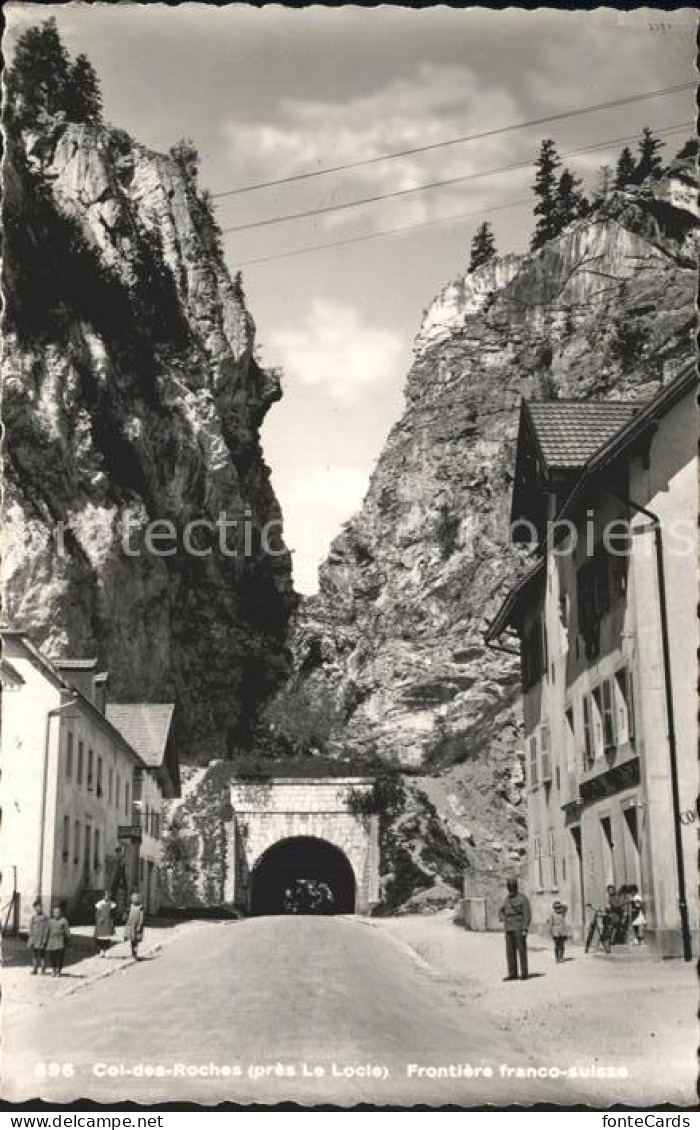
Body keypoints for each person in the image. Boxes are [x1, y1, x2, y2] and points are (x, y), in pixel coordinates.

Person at [498, 877, 531, 981]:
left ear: (516, 887)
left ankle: (524, 973)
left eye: (512, 888)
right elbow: (501, 910)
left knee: (521, 951)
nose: (511, 890)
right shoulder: (506, 899)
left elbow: (527, 914)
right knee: (510, 951)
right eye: (509, 888)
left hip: (519, 927)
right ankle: (512, 973)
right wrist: (503, 918)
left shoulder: (523, 898)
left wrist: (525, 928)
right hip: (508, 928)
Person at [45, 905, 70, 976]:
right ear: (52, 913)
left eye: (58, 912)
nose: (56, 914)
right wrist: (45, 940)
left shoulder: (64, 920)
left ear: (60, 913)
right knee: (52, 956)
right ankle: (53, 969)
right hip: (51, 941)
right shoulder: (50, 921)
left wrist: (68, 939)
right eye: (55, 912)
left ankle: (58, 970)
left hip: (60, 941)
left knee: (60, 957)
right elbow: (47, 931)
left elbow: (67, 930)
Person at [27, 899, 50, 975]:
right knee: (34, 954)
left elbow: (47, 929)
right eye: (36, 908)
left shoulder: (45, 918)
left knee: (42, 954)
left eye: (39, 907)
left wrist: (45, 940)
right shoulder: (33, 918)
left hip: (42, 939)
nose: (37, 909)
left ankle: (43, 969)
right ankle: (35, 968)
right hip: (34, 939)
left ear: (41, 907)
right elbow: (30, 928)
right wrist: (30, 938)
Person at [94, 890, 117, 958]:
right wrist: (99, 919)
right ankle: (101, 950)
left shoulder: (112, 904)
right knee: (100, 938)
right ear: (103, 896)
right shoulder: (99, 903)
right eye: (105, 896)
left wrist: (112, 921)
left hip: (108, 922)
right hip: (101, 922)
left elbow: (113, 914)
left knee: (107, 938)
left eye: (108, 896)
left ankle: (106, 950)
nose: (106, 897)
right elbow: (97, 913)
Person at [124, 892, 145, 960]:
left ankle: (135, 953)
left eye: (136, 898)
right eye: (133, 898)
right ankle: (132, 953)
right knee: (132, 939)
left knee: (136, 940)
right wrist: (126, 920)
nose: (134, 899)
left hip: (137, 925)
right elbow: (127, 915)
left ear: (138, 899)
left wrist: (139, 925)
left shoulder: (141, 907)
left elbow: (141, 917)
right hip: (130, 925)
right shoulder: (130, 906)